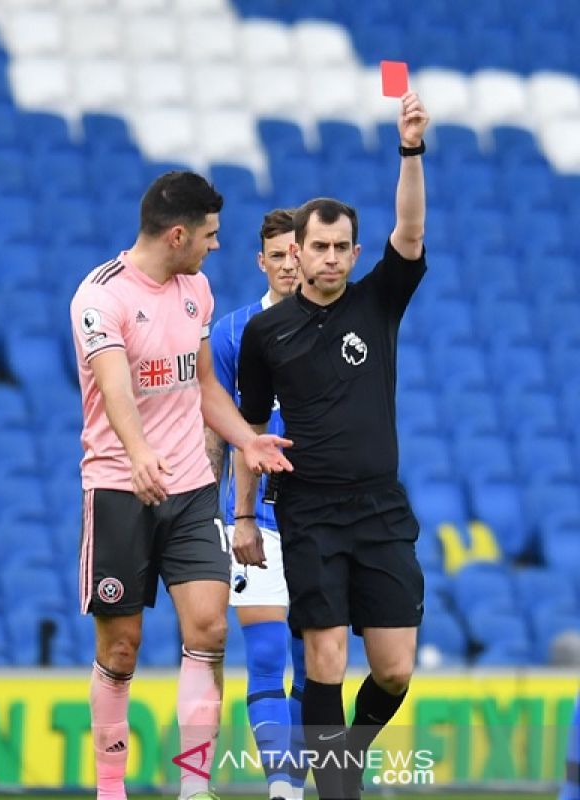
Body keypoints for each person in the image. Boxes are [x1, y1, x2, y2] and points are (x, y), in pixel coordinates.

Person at [68, 171, 293, 800]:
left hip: (192, 488)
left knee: (210, 630)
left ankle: (194, 788)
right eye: (210, 235)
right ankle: (110, 789)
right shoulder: (99, 297)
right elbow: (114, 385)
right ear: (177, 234)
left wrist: (247, 440)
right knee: (122, 649)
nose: (216, 246)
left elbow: (203, 387)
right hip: (120, 488)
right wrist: (138, 454)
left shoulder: (196, 288)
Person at [234, 92, 430, 800]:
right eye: (317, 246)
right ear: (296, 251)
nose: (330, 257)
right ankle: (336, 792)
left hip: (380, 510)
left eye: (342, 246)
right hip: (309, 510)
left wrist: (410, 150)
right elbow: (252, 433)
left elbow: (410, 229)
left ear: (353, 249)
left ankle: (342, 751)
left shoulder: (378, 301)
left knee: (394, 668)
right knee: (323, 658)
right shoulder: (267, 334)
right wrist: (246, 516)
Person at [206, 208, 306, 800]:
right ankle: (282, 790)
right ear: (261, 262)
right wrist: (216, 512)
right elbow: (217, 427)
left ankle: (296, 780)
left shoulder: (335, 327)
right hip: (256, 519)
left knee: (312, 661)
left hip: (320, 521)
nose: (290, 264)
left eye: (298, 252)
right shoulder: (231, 332)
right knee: (267, 654)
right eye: (278, 255)